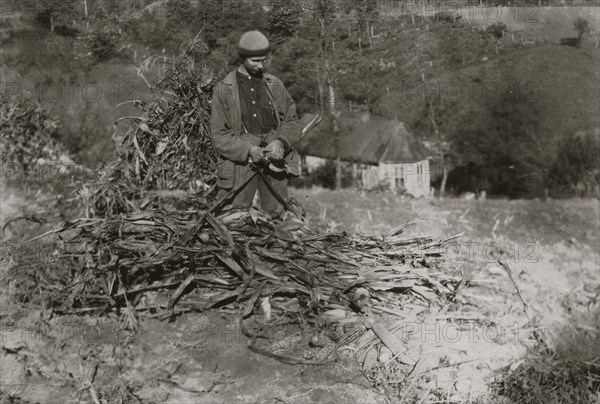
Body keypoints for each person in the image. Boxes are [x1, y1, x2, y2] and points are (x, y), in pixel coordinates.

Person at [210, 30, 302, 215]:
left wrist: (281, 142)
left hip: (274, 161)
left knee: (278, 216)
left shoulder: (274, 85)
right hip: (240, 164)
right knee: (233, 217)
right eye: (255, 61)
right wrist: (249, 151)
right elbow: (219, 135)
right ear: (242, 57)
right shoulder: (223, 89)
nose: (261, 66)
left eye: (263, 60)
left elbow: (291, 121)